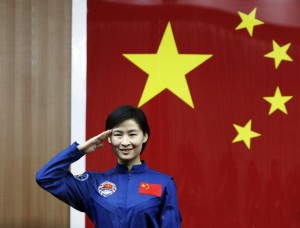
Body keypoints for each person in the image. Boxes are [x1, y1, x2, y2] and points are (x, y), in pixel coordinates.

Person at [36, 105, 181, 227]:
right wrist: (79, 150)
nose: (125, 142)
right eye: (118, 134)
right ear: (109, 138)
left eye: (132, 134)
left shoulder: (164, 183)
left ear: (144, 136)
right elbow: (46, 177)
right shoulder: (92, 183)